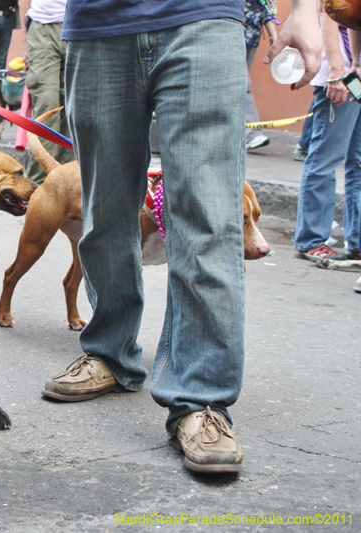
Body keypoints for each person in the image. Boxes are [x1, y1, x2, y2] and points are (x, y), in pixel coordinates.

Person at [45, 0, 320, 473]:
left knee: (207, 215)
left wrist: (307, 11)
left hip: (204, 16)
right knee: (104, 210)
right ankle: (110, 352)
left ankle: (200, 398)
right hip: (96, 24)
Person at [294, 11, 361, 262]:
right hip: (341, 78)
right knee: (325, 158)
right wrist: (336, 73)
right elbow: (330, 17)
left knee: (358, 161)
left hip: (355, 77)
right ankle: (311, 239)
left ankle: (356, 243)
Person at [24, 0, 75, 185]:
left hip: (83, 25)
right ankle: (39, 188)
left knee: (76, 109)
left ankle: (69, 186)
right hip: (43, 24)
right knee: (47, 104)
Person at [244, 0, 279, 151]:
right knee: (242, 84)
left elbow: (266, 8)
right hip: (231, 33)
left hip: (251, 36)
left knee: (241, 85)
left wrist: (274, 36)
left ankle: (249, 134)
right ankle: (251, 134)